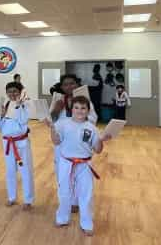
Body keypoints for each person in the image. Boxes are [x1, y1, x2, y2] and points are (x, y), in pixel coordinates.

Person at [48, 96, 112, 236]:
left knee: (86, 193)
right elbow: (56, 142)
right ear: (72, 109)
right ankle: (62, 218)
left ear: (88, 110)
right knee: (64, 191)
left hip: (84, 164)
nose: (79, 111)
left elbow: (98, 149)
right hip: (66, 163)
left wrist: (101, 140)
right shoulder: (63, 123)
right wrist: (52, 129)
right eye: (76, 107)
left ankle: (87, 223)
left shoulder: (92, 128)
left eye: (83, 108)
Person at [49, 74, 98, 212]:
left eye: (72, 83)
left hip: (79, 144)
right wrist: (57, 109)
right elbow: (51, 120)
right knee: (62, 173)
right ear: (62, 87)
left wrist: (79, 114)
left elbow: (93, 120)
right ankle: (65, 202)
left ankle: (76, 202)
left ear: (77, 85)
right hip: (61, 142)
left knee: (79, 174)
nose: (69, 86)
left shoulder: (85, 101)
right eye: (65, 84)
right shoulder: (58, 100)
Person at [0, 82, 34, 209]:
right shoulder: (5, 105)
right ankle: (12, 197)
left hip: (21, 143)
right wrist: (1, 116)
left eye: (15, 91)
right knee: (10, 171)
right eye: (9, 91)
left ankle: (28, 200)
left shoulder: (25, 104)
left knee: (25, 171)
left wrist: (18, 106)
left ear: (20, 92)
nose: (12, 94)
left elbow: (23, 120)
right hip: (7, 142)